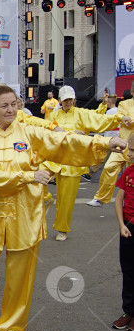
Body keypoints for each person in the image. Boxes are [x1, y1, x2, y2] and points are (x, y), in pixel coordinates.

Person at [0, 85, 127, 331]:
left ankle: (10, 327)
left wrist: (105, 142)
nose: (10, 110)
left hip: (24, 214)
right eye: (3, 106)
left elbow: (65, 142)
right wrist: (29, 176)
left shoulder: (30, 134)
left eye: (14, 104)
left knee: (20, 274)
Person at [44, 85, 128, 240]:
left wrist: (119, 117)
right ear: (61, 101)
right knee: (32, 178)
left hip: (73, 162)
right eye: (65, 100)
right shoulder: (53, 116)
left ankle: (62, 229)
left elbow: (99, 119)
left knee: (66, 199)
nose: (68, 102)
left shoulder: (81, 114)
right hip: (54, 159)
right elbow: (46, 132)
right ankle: (46, 197)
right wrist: (71, 132)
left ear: (74, 99)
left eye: (70, 99)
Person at [89, 93, 132, 207]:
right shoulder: (124, 104)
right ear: (132, 92)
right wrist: (125, 119)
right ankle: (101, 198)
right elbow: (121, 118)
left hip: (132, 147)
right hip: (122, 144)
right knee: (109, 167)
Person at [112, 135, 134, 331]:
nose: (130, 154)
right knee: (128, 271)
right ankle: (128, 312)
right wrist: (121, 225)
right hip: (128, 229)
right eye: (130, 149)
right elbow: (119, 200)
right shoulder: (127, 172)